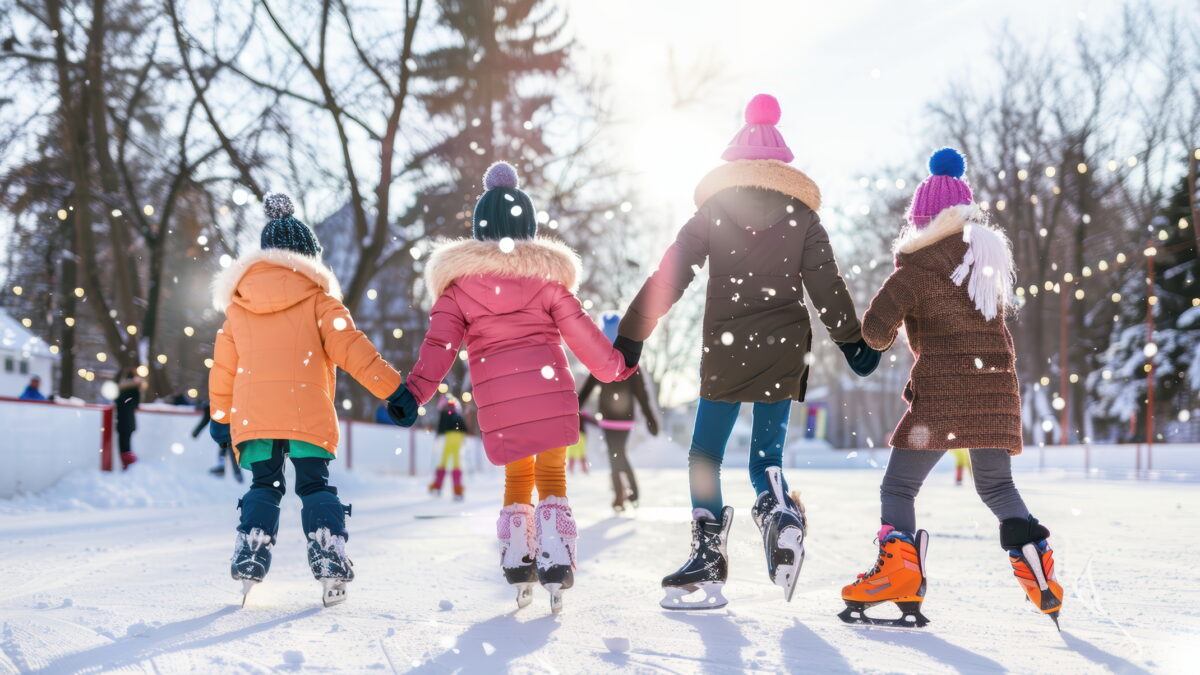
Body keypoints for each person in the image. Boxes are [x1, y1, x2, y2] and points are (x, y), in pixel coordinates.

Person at [616, 94, 879, 609]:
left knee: (705, 455)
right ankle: (778, 512)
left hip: (727, 347)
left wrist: (633, 332)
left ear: (734, 156)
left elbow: (672, 271)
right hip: (783, 348)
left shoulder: (715, 210)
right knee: (766, 457)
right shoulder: (801, 214)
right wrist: (852, 342)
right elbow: (827, 284)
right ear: (781, 159)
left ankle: (709, 556)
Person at [388, 161, 637, 613]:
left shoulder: (458, 290)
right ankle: (557, 558)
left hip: (500, 403)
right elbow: (582, 335)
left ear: (481, 230)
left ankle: (519, 560)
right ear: (529, 228)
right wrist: (615, 367)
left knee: (518, 476)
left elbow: (439, 347)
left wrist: (415, 392)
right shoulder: (547, 283)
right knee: (552, 476)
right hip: (551, 392)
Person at [840, 148, 1063, 629]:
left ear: (920, 222)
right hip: (996, 388)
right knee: (998, 486)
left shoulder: (915, 272)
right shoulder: (984, 265)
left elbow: (875, 333)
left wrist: (889, 307)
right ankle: (1036, 561)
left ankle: (898, 575)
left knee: (899, 485)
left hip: (943, 394)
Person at [208, 193, 405, 607]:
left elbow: (223, 369)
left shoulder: (237, 309)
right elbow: (354, 350)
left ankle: (253, 544)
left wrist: (221, 416)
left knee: (266, 483)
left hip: (256, 419)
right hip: (306, 415)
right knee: (314, 485)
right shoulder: (320, 301)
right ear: (310, 259)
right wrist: (394, 391)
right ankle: (327, 547)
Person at [578, 311, 659, 512]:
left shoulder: (602, 363)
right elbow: (642, 395)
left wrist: (574, 408)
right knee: (617, 454)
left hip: (613, 419)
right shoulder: (629, 361)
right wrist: (650, 419)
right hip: (620, 419)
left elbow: (587, 390)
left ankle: (624, 494)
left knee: (617, 454)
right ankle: (625, 494)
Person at [429, 395, 468, 501]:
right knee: (456, 462)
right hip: (458, 437)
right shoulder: (457, 415)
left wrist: (437, 435)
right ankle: (457, 489)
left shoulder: (445, 413)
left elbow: (441, 427)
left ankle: (437, 486)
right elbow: (464, 428)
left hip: (450, 437)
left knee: (444, 461)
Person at [114, 366, 144, 470]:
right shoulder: (134, 391)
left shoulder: (122, 392)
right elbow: (136, 404)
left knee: (124, 445)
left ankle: (128, 465)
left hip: (123, 421)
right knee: (126, 444)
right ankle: (128, 464)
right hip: (128, 421)